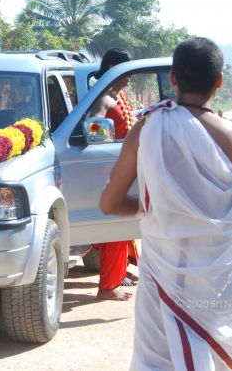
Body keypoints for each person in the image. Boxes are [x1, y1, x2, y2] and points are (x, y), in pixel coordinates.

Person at [100, 37, 232, 369]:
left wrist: (151, 208)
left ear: (173, 78)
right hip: (219, 281)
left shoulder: (148, 126)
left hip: (163, 274)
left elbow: (109, 203)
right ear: (219, 82)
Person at [88, 48, 140, 301]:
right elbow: (93, 126)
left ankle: (120, 272)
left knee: (125, 225)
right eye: (125, 73)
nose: (129, 79)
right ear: (112, 70)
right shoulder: (102, 98)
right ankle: (108, 287)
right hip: (112, 169)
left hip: (126, 168)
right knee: (116, 229)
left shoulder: (118, 95)